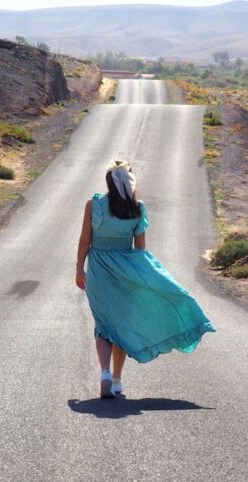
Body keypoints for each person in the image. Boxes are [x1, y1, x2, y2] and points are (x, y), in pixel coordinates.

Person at [75, 160, 216, 398]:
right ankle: (118, 380)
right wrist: (150, 279)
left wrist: (80, 268)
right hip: (127, 271)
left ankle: (105, 373)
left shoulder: (94, 204)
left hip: (99, 269)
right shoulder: (137, 208)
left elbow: (84, 241)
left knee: (103, 324)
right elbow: (140, 249)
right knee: (121, 325)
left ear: (108, 181)